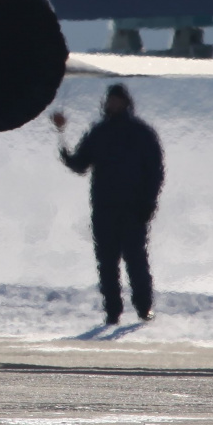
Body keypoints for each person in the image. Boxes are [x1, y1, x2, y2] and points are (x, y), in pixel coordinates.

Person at [52, 83, 165, 326]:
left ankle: (144, 307)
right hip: (104, 209)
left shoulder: (141, 133)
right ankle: (112, 312)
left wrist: (149, 203)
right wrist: (61, 135)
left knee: (136, 261)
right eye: (110, 100)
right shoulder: (99, 132)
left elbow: (155, 172)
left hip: (134, 209)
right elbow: (80, 164)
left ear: (126, 103)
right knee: (107, 263)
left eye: (117, 100)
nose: (112, 104)